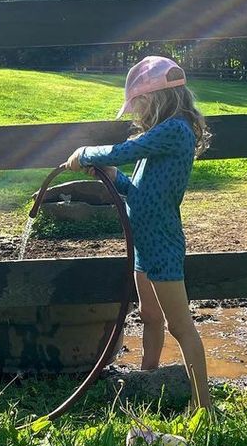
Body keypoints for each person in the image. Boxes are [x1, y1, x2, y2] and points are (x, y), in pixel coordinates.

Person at [65, 55, 213, 410]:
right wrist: (117, 179)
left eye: (138, 105)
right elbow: (141, 191)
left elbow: (124, 150)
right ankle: (150, 378)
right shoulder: (162, 136)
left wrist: (85, 153)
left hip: (161, 243)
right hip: (145, 244)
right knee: (150, 316)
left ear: (155, 99)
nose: (137, 114)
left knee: (181, 326)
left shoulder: (174, 130)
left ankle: (203, 406)